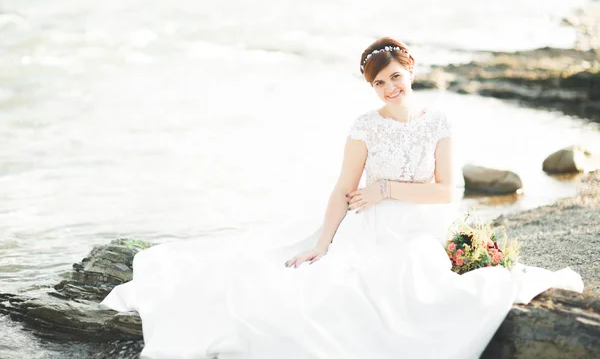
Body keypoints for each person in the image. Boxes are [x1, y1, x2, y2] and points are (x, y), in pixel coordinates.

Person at [100, 37, 583, 359]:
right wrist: (323, 243)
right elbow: (341, 188)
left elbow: (447, 190)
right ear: (371, 87)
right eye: (379, 83)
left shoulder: (440, 122)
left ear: (409, 69)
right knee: (312, 282)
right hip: (368, 223)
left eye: (395, 76)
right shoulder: (365, 126)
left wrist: (385, 190)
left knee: (412, 285)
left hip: (418, 225)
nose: (390, 88)